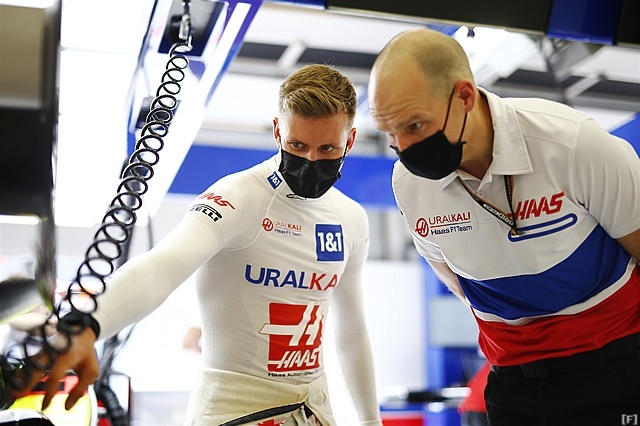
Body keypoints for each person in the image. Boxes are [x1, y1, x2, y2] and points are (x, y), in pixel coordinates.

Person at [19, 64, 383, 425]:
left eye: (327, 148)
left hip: (314, 410)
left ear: (350, 141)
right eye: (297, 145)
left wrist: (370, 421)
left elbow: (352, 331)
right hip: (235, 411)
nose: (310, 161)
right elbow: (163, 265)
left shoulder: (350, 218)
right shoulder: (238, 197)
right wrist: (87, 324)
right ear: (277, 131)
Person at [368, 28, 640, 426]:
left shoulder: (572, 144)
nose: (404, 148)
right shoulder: (410, 184)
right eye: (390, 133)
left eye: (415, 126)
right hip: (512, 383)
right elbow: (456, 279)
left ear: (464, 96)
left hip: (614, 368)